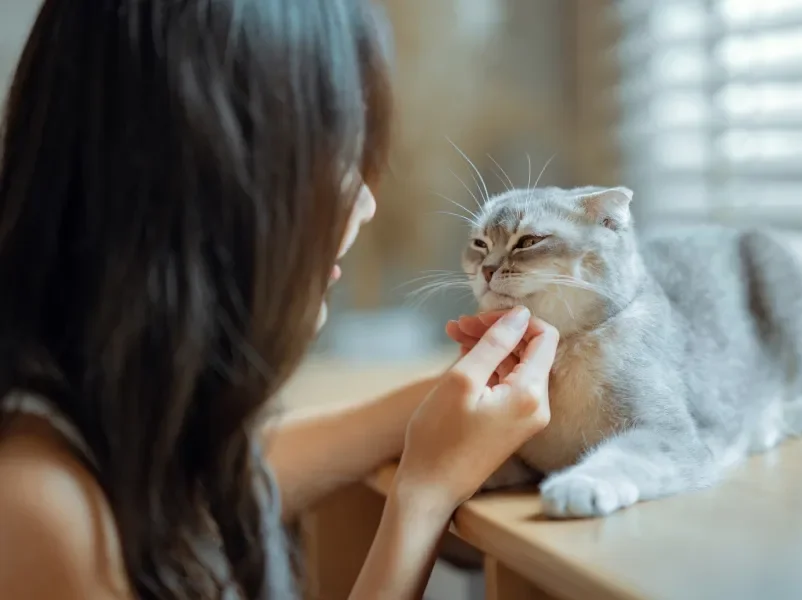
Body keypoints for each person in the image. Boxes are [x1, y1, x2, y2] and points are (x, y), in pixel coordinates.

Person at [0, 1, 558, 599]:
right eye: (339, 154)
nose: (366, 203)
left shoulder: (116, 419)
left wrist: (437, 404)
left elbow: (239, 471)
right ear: (219, 174)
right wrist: (422, 497)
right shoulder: (37, 512)